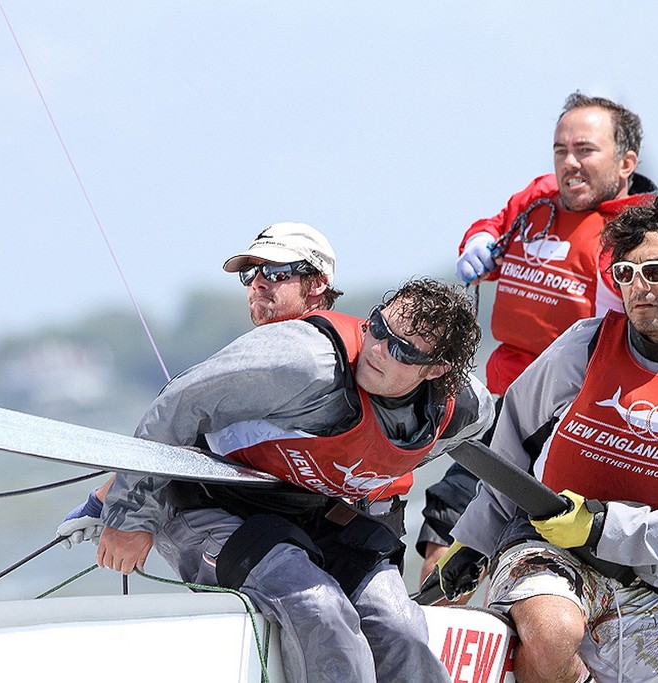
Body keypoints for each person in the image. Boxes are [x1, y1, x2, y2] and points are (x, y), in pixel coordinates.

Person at [434, 190, 658, 683]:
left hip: (638, 581)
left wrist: (600, 527)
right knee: (552, 631)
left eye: (656, 272)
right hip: (541, 550)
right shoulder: (586, 343)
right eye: (626, 273)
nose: (639, 287)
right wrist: (474, 539)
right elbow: (511, 439)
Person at [95, 275, 495, 683]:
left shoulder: (465, 411)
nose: (377, 349)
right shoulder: (303, 363)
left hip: (310, 511)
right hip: (210, 503)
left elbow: (481, 441)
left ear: (437, 370)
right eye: (378, 327)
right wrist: (130, 517)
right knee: (323, 612)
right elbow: (175, 406)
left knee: (402, 630)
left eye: (401, 350)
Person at [419, 91, 658, 582]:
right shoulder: (538, 198)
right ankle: (442, 633)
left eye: (585, 150)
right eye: (560, 149)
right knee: (444, 521)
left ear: (625, 162)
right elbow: (495, 223)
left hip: (570, 415)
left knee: (514, 538)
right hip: (501, 399)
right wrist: (479, 242)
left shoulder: (639, 236)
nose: (569, 163)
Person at [56, 221, 343, 546]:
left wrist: (125, 518)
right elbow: (202, 438)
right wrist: (102, 501)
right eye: (250, 274)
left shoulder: (299, 356)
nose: (258, 284)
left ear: (318, 282)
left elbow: (178, 408)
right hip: (292, 524)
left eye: (276, 272)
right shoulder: (304, 354)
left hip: (294, 527)